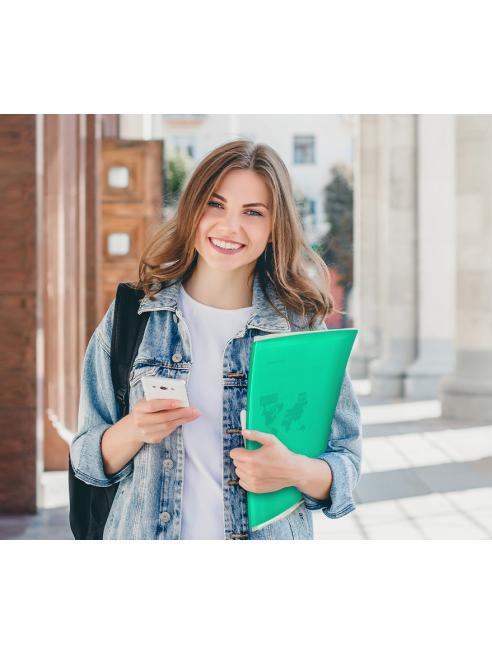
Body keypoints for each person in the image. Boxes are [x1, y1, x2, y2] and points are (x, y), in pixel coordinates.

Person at [70, 139, 362, 540]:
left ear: (275, 227)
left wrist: (295, 471)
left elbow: (346, 461)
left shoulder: (300, 327)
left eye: (253, 212)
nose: (230, 226)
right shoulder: (133, 315)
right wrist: (133, 429)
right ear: (192, 210)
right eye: (215, 204)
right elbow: (85, 456)